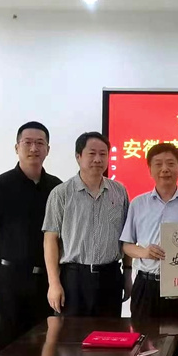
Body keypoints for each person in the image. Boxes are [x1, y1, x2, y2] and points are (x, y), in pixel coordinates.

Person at [0, 121, 62, 356]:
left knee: (44, 352)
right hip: (8, 282)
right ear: (17, 148)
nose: (34, 148)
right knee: (5, 353)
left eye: (40, 143)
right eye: (28, 142)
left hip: (45, 283)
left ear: (48, 149)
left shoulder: (56, 188)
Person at [42, 132, 131, 317]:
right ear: (78, 156)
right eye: (92, 153)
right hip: (74, 278)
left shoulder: (119, 191)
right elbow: (50, 240)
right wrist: (54, 283)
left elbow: (127, 237)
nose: (98, 159)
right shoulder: (61, 193)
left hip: (110, 276)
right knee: (71, 333)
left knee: (108, 332)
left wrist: (128, 274)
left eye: (103, 154)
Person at [121, 143, 178, 321]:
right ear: (150, 170)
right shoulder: (138, 203)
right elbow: (127, 245)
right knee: (142, 335)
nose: (165, 169)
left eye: (171, 163)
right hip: (146, 284)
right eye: (158, 164)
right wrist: (145, 252)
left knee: (177, 335)